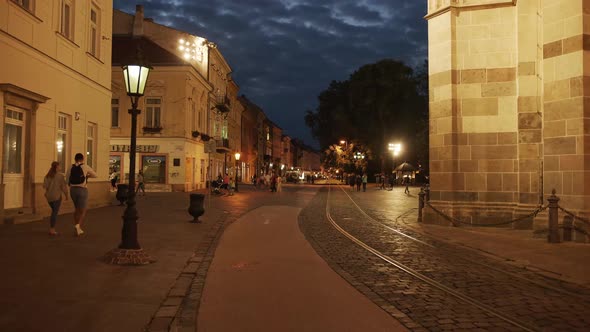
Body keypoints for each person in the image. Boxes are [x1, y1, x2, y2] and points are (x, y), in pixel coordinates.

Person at [66, 153, 97, 236]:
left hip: (73, 190)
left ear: (75, 159)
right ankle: (78, 225)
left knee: (76, 209)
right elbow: (95, 175)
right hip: (82, 190)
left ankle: (78, 228)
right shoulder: (85, 166)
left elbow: (67, 179)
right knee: (83, 210)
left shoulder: (70, 167)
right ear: (82, 159)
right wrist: (87, 176)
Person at [43, 161, 68, 235]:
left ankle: (52, 228)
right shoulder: (60, 176)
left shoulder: (47, 176)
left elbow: (45, 186)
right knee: (54, 213)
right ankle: (52, 229)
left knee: (53, 211)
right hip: (56, 197)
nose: (60, 167)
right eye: (59, 166)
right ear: (57, 167)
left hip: (49, 197)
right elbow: (63, 187)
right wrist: (67, 195)